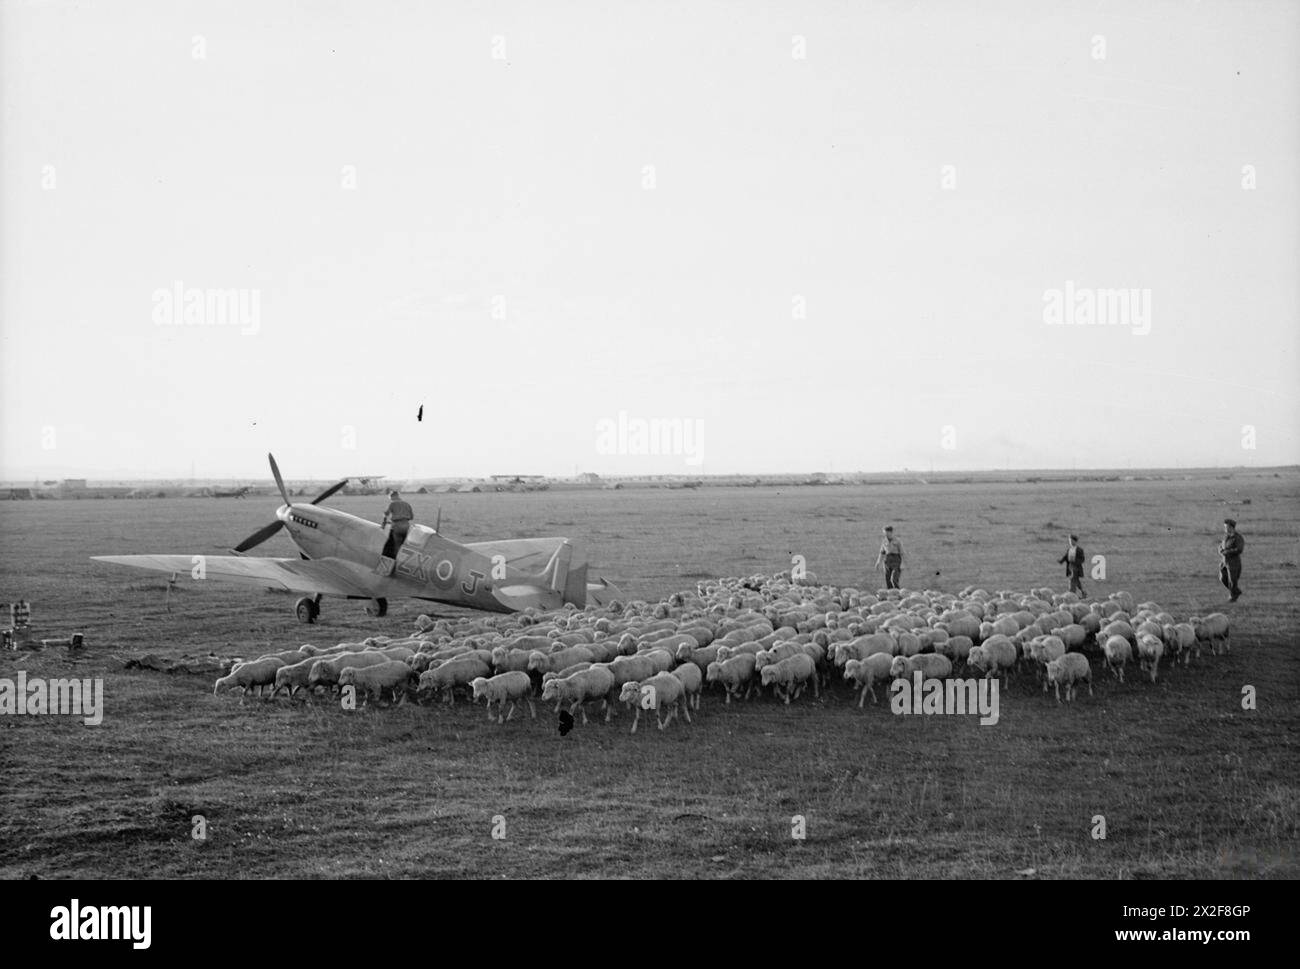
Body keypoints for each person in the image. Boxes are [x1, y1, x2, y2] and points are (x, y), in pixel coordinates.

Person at [377, 490, 415, 575]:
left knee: (392, 546)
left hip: (397, 527)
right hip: (406, 526)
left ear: (392, 496)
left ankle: (390, 568)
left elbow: (386, 514)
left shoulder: (393, 504)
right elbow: (411, 517)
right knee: (401, 546)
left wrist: (383, 523)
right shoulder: (407, 504)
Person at [1218, 518, 1245, 601]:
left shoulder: (1238, 538)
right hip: (1224, 561)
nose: (1225, 529)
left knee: (1232, 581)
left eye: (1226, 527)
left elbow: (1239, 549)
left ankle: (1233, 597)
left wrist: (1228, 552)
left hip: (1233, 562)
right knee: (1222, 578)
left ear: (1231, 527)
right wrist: (1220, 550)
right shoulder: (1226, 537)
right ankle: (1236, 591)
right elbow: (1221, 546)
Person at [874, 525, 903, 590]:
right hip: (887, 561)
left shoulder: (897, 541)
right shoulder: (884, 541)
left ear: (891, 532)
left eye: (887, 533)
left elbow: (902, 553)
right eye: (885, 533)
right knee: (888, 580)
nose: (886, 535)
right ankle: (891, 595)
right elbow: (882, 552)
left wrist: (903, 564)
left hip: (896, 560)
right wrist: (878, 562)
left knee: (894, 579)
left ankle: (898, 593)